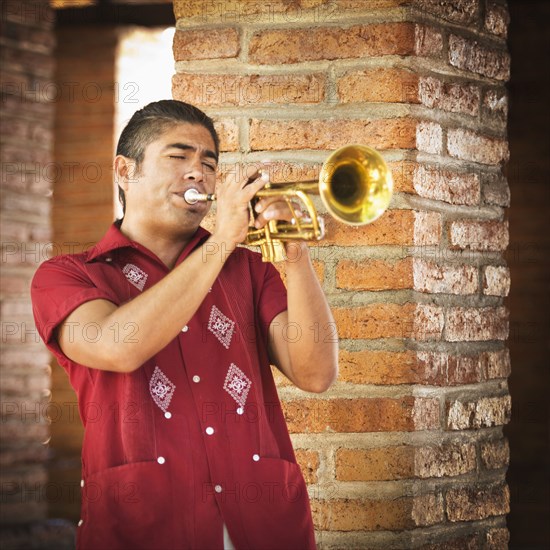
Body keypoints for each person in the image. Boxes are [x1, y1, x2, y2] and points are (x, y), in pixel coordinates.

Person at [31, 100, 338, 550]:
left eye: (209, 163)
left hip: (265, 524)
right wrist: (222, 243)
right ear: (124, 170)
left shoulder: (250, 271)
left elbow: (315, 373)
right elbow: (119, 346)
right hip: (143, 526)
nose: (198, 173)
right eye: (178, 157)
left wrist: (296, 254)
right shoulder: (67, 275)